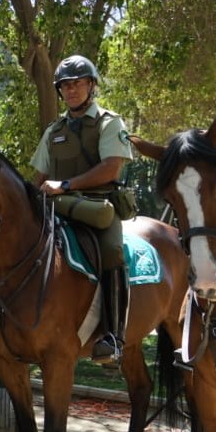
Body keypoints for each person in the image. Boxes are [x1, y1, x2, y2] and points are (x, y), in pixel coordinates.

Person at [30, 54, 134, 364]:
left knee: (113, 252)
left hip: (99, 208)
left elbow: (111, 169)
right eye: (65, 86)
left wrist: (65, 185)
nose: (71, 90)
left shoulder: (109, 122)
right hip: (58, 207)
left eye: (78, 84)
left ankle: (113, 336)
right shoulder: (54, 131)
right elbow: (39, 177)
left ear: (91, 86)